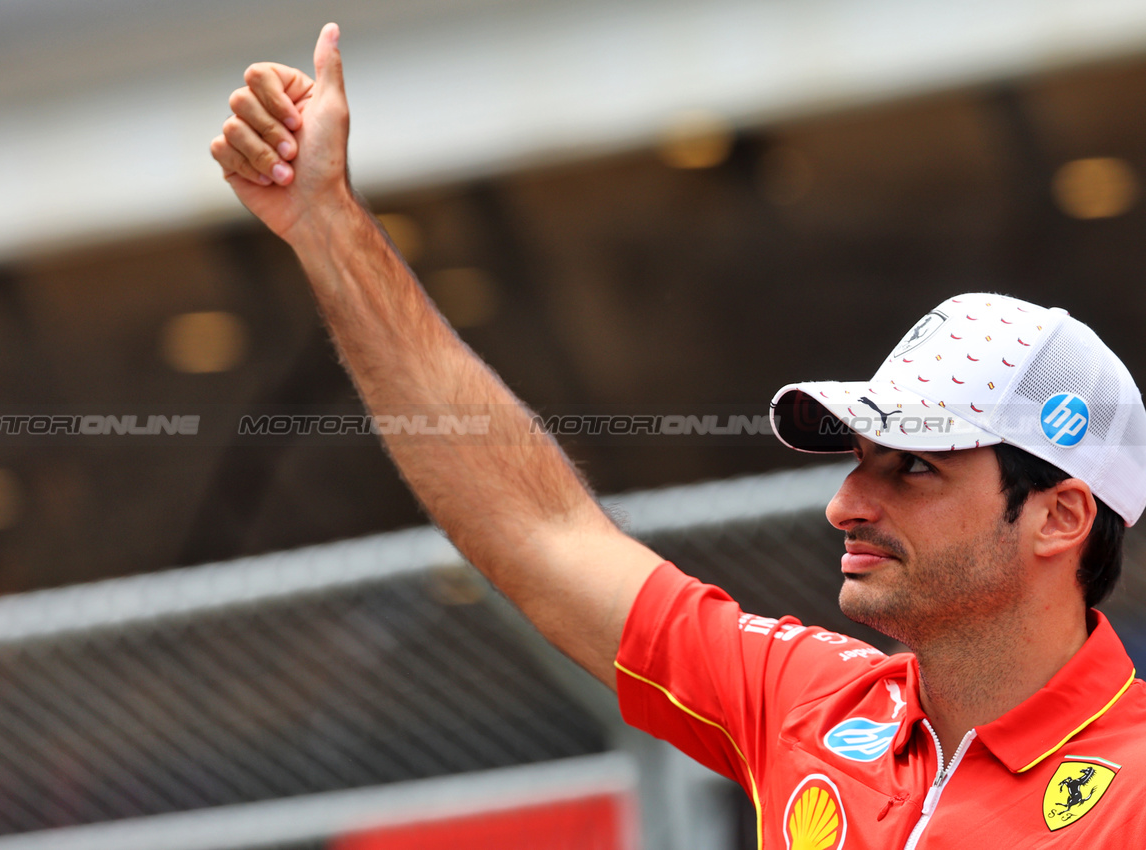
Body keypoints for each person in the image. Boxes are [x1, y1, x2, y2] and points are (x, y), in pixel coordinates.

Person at [210, 25, 1146, 846]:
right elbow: (539, 531)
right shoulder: (807, 697)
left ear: (1060, 516)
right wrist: (327, 227)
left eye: (914, 469)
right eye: (859, 463)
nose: (845, 503)